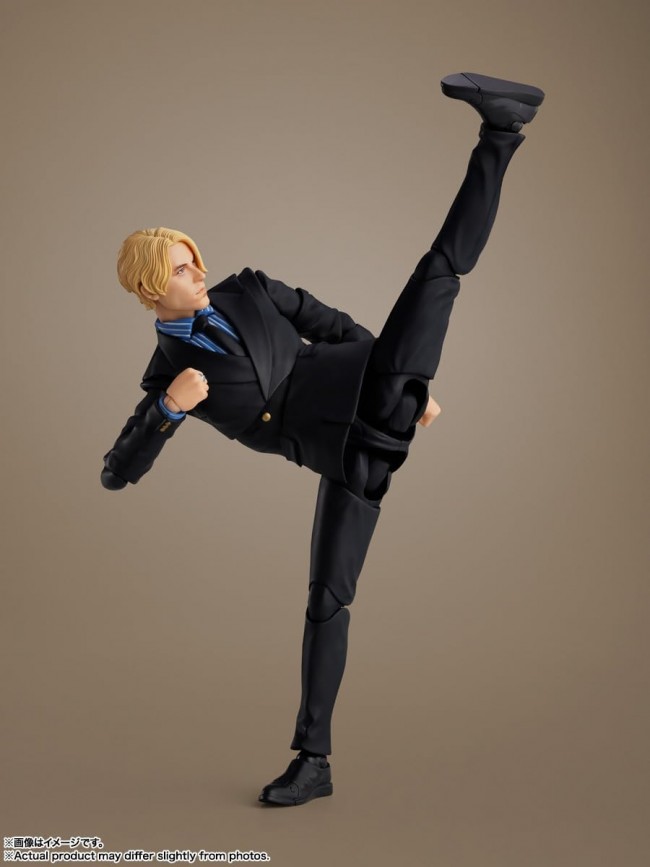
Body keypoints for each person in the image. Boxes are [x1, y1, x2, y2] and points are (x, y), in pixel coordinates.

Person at [101, 72, 545, 806]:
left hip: (367, 389)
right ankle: (315, 763)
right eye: (181, 268)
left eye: (195, 256)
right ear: (151, 291)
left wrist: (404, 380)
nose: (200, 270)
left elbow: (334, 327)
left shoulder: (248, 287)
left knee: (440, 272)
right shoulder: (165, 375)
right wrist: (170, 411)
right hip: (343, 456)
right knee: (326, 603)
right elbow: (117, 471)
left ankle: (502, 129)